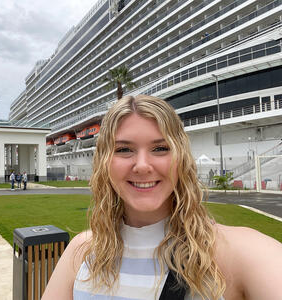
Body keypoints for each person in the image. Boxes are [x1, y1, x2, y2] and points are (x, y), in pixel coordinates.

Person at [42, 95, 282, 300]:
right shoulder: (83, 251)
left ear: (181, 159)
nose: (142, 166)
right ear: (104, 163)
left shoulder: (235, 252)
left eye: (160, 148)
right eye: (124, 149)